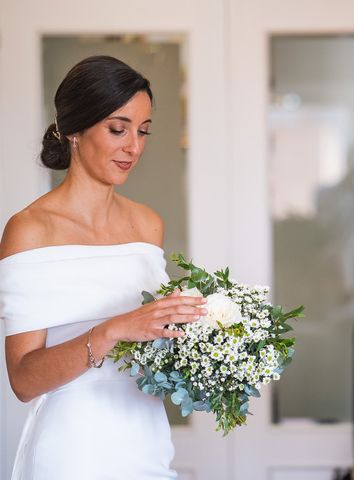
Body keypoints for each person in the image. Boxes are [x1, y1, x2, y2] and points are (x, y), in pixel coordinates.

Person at [0, 55, 207, 479]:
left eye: (143, 131)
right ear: (74, 130)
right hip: (72, 450)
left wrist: (205, 337)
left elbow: (152, 346)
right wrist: (114, 329)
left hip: (146, 440)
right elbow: (23, 380)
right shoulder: (29, 230)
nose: (134, 146)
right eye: (118, 128)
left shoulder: (147, 224)